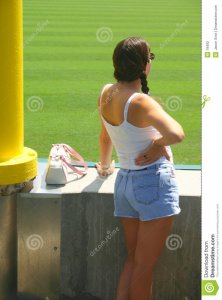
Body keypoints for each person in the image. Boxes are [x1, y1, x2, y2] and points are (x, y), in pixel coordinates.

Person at [95, 37, 184, 300]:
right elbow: (176, 134)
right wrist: (158, 144)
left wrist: (104, 165)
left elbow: (105, 137)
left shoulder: (106, 93)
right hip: (152, 185)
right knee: (144, 268)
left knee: (133, 261)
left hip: (124, 183)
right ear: (144, 66)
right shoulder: (140, 102)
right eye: (150, 58)